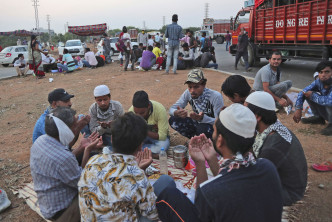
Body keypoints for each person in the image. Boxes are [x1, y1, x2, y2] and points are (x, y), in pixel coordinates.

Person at [155, 104, 283, 222]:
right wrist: (210, 159)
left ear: (220, 140)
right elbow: (229, 180)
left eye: (214, 130)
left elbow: (201, 209)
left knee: (167, 195)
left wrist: (200, 163)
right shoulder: (267, 167)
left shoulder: (210, 191)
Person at [78, 112, 159, 221]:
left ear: (111, 139)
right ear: (140, 145)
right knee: (166, 183)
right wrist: (141, 172)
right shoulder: (137, 175)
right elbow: (152, 214)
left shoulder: (93, 160)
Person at [30, 107, 103, 221]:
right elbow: (83, 183)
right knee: (102, 191)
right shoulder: (64, 158)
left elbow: (60, 163)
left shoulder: (41, 140)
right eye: (74, 126)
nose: (76, 128)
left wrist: (82, 147)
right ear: (64, 130)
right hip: (63, 212)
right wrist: (87, 149)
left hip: (48, 206)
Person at [245, 91, 307, 206]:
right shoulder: (271, 127)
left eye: (245, 112)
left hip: (288, 193)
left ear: (257, 117)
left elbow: (255, 177)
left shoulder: (272, 145)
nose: (242, 115)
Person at [169, 69, 224, 139]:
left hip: (211, 128)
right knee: (173, 120)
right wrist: (176, 112)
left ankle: (210, 143)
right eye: (190, 87)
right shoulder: (188, 93)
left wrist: (203, 118)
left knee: (202, 129)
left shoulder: (215, 96)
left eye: (196, 87)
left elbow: (220, 123)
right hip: (198, 124)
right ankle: (195, 139)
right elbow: (171, 109)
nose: (192, 91)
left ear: (204, 85)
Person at [293, 61, 332, 135]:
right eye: (321, 72)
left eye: (327, 72)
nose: (323, 75)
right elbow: (303, 92)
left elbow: (329, 102)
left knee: (316, 97)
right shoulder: (318, 82)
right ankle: (319, 118)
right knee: (308, 94)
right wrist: (298, 108)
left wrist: (313, 96)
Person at [129, 90, 170, 158]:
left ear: (149, 106)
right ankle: (152, 154)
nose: (139, 116)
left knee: (163, 145)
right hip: (141, 139)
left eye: (142, 113)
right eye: (136, 113)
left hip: (158, 139)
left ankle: (139, 152)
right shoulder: (131, 111)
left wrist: (144, 131)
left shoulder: (160, 110)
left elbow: (162, 136)